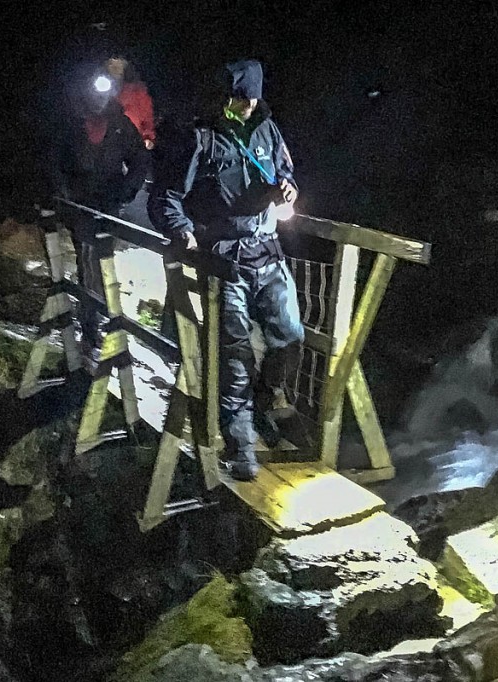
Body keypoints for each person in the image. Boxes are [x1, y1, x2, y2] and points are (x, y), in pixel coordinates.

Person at [148, 59, 303, 481]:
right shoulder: (198, 138)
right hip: (225, 260)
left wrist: (288, 185)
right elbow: (165, 197)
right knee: (234, 356)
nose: (249, 105)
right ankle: (239, 444)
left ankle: (268, 397)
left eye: (253, 98)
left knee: (290, 335)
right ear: (225, 97)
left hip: (268, 252)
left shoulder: (268, 128)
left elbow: (286, 171)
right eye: (240, 98)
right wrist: (181, 229)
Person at [55, 80, 149, 354]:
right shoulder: (72, 125)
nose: (98, 101)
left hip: (109, 205)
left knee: (104, 261)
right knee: (88, 261)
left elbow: (139, 160)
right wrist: (66, 194)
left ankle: (106, 319)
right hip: (81, 206)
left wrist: (126, 190)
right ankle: (90, 327)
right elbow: (56, 161)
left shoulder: (121, 125)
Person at [105, 56, 157, 150]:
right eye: (111, 63)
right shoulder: (100, 89)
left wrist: (148, 137)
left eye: (119, 64)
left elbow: (147, 116)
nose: (115, 67)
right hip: (108, 141)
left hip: (132, 139)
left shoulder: (137, 90)